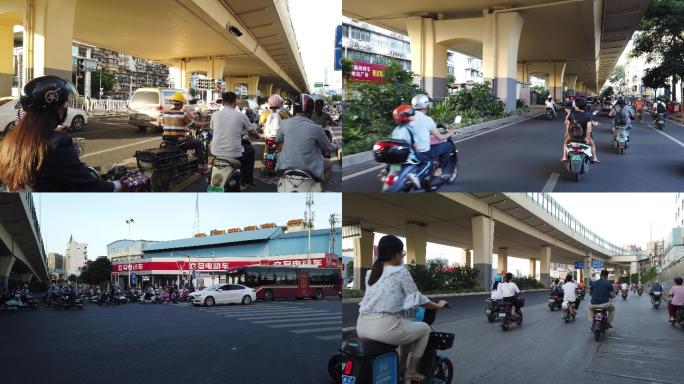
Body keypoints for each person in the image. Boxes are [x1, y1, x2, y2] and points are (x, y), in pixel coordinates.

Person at [0, 76, 124, 191]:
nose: (66, 107)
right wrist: (118, 185)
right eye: (65, 103)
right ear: (56, 107)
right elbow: (88, 185)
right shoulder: (57, 144)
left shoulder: (10, 139)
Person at [356, 235, 448, 382]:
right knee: (424, 329)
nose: (402, 257)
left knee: (406, 325)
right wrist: (439, 305)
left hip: (361, 325)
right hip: (382, 327)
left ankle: (401, 367)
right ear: (397, 254)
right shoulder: (400, 272)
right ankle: (411, 371)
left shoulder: (370, 273)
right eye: (402, 253)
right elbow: (418, 298)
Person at [276, 94, 334, 183]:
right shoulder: (317, 128)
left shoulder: (284, 123)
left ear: (294, 108)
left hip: (284, 166)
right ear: (311, 110)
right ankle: (320, 187)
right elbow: (328, 148)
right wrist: (335, 147)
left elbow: (278, 140)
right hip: (310, 169)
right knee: (329, 164)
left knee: (278, 155)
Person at [210, 92, 259, 188]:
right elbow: (252, 132)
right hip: (234, 153)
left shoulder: (214, 114)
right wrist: (257, 136)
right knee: (250, 150)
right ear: (235, 102)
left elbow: (213, 129)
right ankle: (247, 180)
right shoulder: (241, 115)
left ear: (223, 102)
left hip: (215, 151)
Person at [161, 92, 210, 173]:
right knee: (199, 143)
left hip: (167, 140)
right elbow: (194, 125)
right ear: (181, 103)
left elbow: (165, 125)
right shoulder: (182, 114)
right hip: (179, 141)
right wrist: (207, 123)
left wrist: (182, 128)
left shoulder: (165, 113)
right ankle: (201, 166)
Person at [411, 94, 456, 178]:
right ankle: (439, 170)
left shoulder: (407, 117)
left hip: (411, 150)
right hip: (424, 152)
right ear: (426, 105)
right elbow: (440, 137)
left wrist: (435, 130)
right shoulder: (427, 119)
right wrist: (451, 132)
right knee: (448, 146)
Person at [561, 97, 599, 163]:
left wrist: (567, 133)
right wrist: (587, 138)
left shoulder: (572, 114)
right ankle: (594, 158)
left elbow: (568, 125)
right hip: (583, 135)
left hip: (572, 135)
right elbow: (589, 128)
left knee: (565, 143)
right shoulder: (587, 115)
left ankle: (564, 157)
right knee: (592, 144)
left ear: (576, 106)